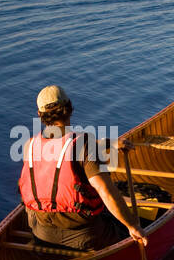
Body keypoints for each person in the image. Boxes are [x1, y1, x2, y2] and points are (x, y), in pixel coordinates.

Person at [18, 85, 148, 251]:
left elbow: (60, 148)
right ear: (69, 109)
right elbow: (105, 191)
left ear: (40, 115)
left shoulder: (30, 144)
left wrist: (108, 143)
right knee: (128, 225)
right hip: (85, 236)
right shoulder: (84, 145)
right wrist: (132, 226)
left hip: (41, 231)